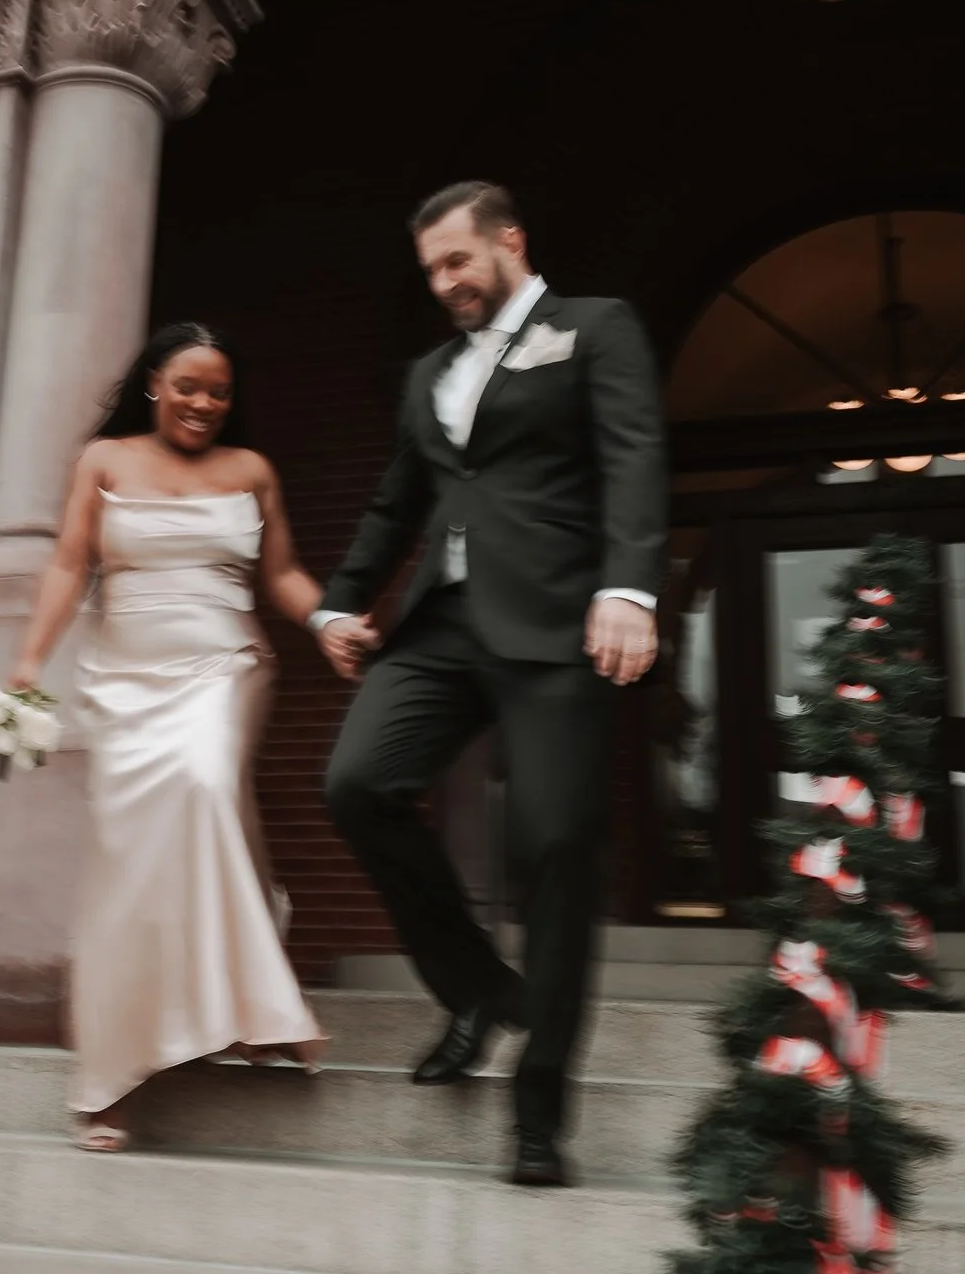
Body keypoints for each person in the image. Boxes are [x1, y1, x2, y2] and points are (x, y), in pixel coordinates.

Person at [314, 181, 665, 1187]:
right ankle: (474, 986)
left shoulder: (594, 329)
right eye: (431, 271)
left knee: (554, 850)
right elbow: (397, 501)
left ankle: (539, 1110)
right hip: (443, 624)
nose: (446, 284)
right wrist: (340, 603)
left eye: (459, 261)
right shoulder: (430, 370)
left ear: (510, 241)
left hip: (561, 621)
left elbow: (636, 455)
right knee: (359, 784)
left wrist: (630, 587)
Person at [11, 321, 325, 1153]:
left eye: (219, 391)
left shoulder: (251, 471)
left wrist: (326, 619)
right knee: (130, 860)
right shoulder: (104, 461)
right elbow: (69, 565)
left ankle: (253, 998)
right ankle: (109, 1078)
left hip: (228, 663)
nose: (204, 403)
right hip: (124, 680)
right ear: (154, 382)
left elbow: (283, 573)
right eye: (189, 385)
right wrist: (29, 662)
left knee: (205, 783)